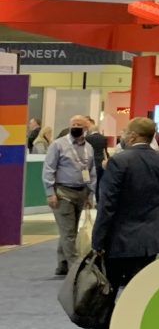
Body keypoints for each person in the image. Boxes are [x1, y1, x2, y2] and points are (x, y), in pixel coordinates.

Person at [89, 117, 159, 329]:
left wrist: (97, 240)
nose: (123, 134)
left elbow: (108, 204)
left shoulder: (119, 161)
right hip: (150, 239)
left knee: (106, 295)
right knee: (141, 296)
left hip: (117, 239)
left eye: (126, 131)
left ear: (135, 136)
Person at [42, 113, 96, 276]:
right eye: (74, 124)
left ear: (86, 128)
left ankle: (63, 264)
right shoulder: (58, 145)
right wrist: (50, 192)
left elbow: (91, 172)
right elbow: (48, 170)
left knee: (69, 230)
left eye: (80, 125)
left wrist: (90, 194)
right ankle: (76, 268)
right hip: (63, 193)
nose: (77, 128)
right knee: (68, 233)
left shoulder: (89, 148)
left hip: (81, 192)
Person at [84, 117, 109, 192]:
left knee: (87, 181)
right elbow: (105, 151)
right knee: (99, 183)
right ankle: (97, 199)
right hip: (101, 162)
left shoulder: (87, 138)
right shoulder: (104, 138)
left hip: (90, 162)